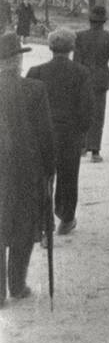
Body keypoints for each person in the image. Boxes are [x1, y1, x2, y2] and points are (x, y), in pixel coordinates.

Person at [0, 31, 55, 305]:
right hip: (25, 169)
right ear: (17, 62)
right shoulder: (34, 90)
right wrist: (49, 170)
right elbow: (46, 136)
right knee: (23, 226)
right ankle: (17, 285)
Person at [26, 29, 92, 236]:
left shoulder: (36, 72)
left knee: (44, 177)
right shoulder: (81, 72)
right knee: (68, 176)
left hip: (42, 134)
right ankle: (66, 218)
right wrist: (82, 134)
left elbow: (27, 106)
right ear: (72, 48)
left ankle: (44, 223)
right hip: (69, 134)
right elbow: (87, 108)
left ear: (50, 47)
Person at [73, 4, 109, 161]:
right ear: (104, 21)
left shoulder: (79, 36)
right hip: (101, 80)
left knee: (81, 112)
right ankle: (95, 151)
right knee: (97, 115)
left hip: (83, 79)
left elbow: (76, 61)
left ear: (90, 20)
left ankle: (81, 146)